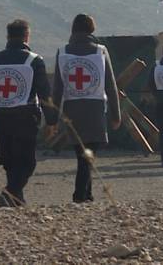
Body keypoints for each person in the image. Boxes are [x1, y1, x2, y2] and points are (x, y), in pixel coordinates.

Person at [0, 19, 57, 207]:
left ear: (7, 36)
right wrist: (52, 120)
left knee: (9, 159)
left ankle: (16, 197)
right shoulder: (34, 60)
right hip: (26, 117)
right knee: (27, 161)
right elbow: (44, 94)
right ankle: (10, 193)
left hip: (2, 118)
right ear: (26, 36)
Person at [52, 14, 121, 203]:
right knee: (88, 155)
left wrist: (52, 118)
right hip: (95, 109)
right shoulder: (101, 51)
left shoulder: (62, 51)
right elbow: (110, 86)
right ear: (92, 29)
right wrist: (116, 115)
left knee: (82, 155)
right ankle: (79, 195)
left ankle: (87, 195)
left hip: (71, 111)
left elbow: (57, 89)